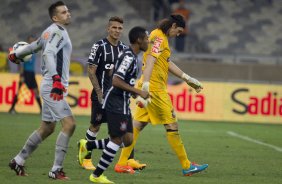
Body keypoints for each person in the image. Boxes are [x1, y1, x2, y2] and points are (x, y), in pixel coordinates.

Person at [114, 14, 209, 176]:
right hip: (155, 89)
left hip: (151, 87)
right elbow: (150, 60)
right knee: (172, 125)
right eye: (178, 31)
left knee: (138, 125)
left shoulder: (160, 37)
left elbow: (166, 62)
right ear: (172, 26)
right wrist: (146, 85)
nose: (178, 34)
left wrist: (187, 78)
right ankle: (187, 165)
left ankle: (122, 163)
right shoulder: (158, 38)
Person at [8, 1, 76, 180]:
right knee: (69, 125)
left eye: (67, 11)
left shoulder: (49, 31)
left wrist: (16, 54)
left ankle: (18, 160)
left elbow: (35, 47)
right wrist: (56, 80)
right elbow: (47, 53)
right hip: (54, 86)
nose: (68, 14)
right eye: (63, 12)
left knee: (47, 128)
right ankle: (56, 170)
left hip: (50, 84)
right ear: (55, 17)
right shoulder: (57, 32)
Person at [78, 26, 150, 183]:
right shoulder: (129, 57)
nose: (148, 42)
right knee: (117, 140)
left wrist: (132, 93)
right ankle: (96, 175)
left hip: (123, 102)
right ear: (139, 40)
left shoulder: (131, 56)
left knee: (128, 140)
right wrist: (138, 92)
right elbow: (116, 80)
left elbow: (114, 75)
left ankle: (88, 145)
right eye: (146, 39)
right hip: (115, 102)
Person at [8, 35, 42, 114]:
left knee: (36, 91)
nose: (32, 42)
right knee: (19, 91)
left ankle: (41, 110)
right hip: (25, 73)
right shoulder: (25, 50)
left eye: (33, 41)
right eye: (30, 40)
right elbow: (20, 63)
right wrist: (22, 75)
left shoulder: (34, 50)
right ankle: (12, 109)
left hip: (31, 74)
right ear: (28, 41)